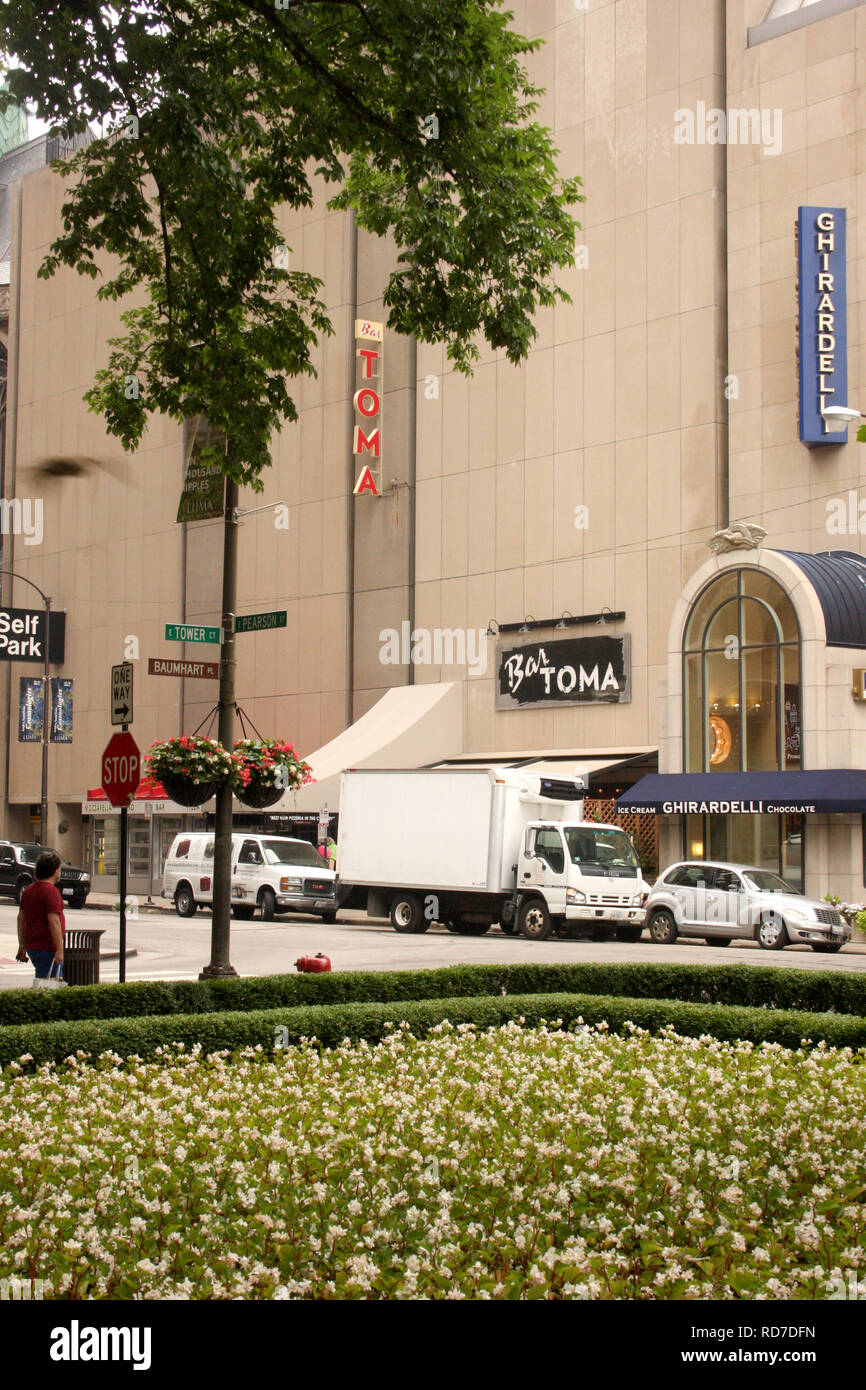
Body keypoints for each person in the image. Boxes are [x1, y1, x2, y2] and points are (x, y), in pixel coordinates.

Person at [15, 850, 65, 981]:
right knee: (49, 986)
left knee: (43, 978)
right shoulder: (51, 891)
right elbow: (54, 920)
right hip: (48, 947)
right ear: (55, 871)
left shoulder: (29, 890)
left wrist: (22, 944)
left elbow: (21, 918)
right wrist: (59, 950)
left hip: (33, 946)